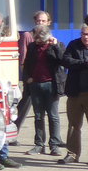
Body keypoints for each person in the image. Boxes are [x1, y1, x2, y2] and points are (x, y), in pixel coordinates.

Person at [60, 24, 88, 166]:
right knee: (73, 125)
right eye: (83, 34)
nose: (86, 37)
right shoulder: (74, 45)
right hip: (75, 92)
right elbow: (66, 61)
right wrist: (86, 64)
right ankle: (72, 154)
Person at [20, 23, 66, 159]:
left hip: (51, 85)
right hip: (35, 85)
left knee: (53, 116)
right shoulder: (32, 46)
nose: (37, 41)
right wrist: (27, 78)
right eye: (36, 38)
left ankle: (54, 145)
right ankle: (39, 144)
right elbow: (27, 64)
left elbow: (62, 60)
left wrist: (55, 45)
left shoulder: (56, 45)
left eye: (39, 39)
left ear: (47, 37)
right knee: (38, 116)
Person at [15, 10, 50, 137]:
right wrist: (27, 77)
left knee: (51, 111)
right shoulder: (27, 36)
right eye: (38, 20)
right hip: (32, 78)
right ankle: (13, 130)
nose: (40, 23)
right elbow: (23, 58)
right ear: (34, 21)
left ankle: (55, 139)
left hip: (46, 79)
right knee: (26, 103)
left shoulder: (49, 37)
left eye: (43, 21)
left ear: (48, 22)